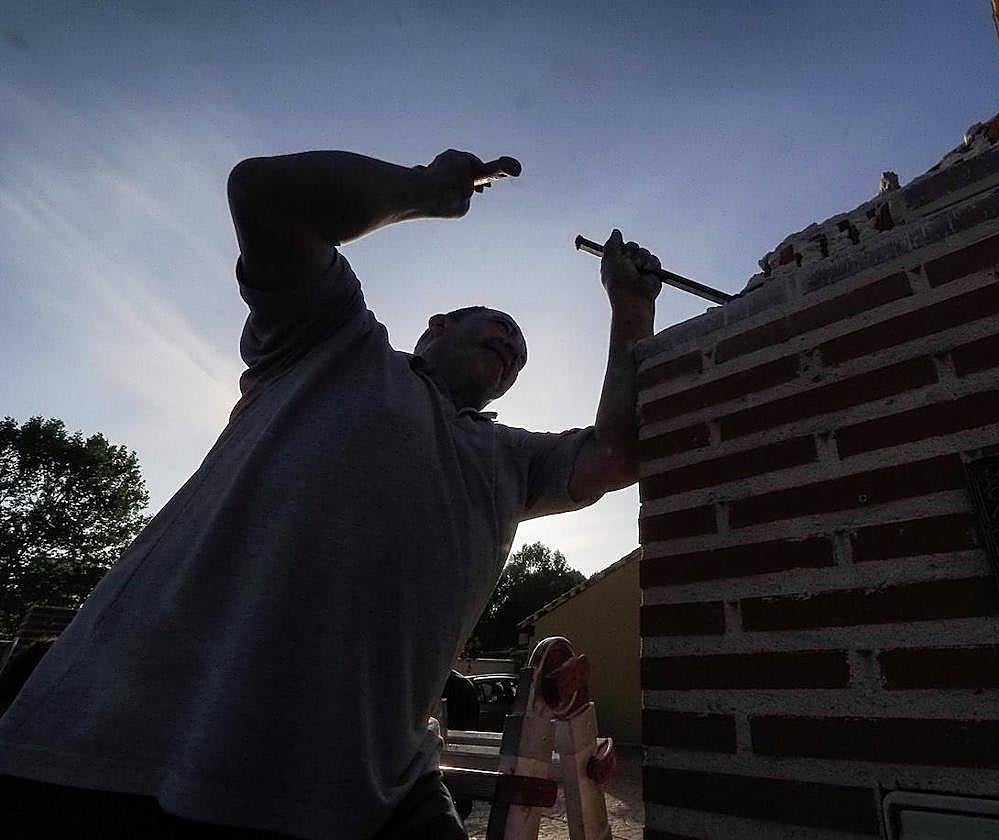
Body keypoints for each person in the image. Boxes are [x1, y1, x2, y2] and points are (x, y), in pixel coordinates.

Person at [0, 149, 661, 839]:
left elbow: (620, 451)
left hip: (365, 789)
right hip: (110, 749)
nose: (512, 345)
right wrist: (432, 188)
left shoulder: (516, 458)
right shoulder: (330, 340)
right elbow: (267, 194)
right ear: (436, 325)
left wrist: (632, 306)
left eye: (521, 351)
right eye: (496, 325)